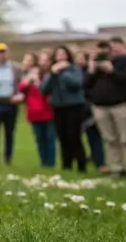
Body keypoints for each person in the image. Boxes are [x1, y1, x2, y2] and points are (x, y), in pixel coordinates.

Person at [85, 38, 126, 180]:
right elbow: (85, 85)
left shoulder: (125, 62)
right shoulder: (96, 65)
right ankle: (116, 167)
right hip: (100, 106)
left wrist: (112, 70)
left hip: (121, 104)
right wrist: (92, 69)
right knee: (109, 139)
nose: (112, 50)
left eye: (115, 47)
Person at [41, 45, 87, 173]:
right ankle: (67, 165)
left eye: (63, 54)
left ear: (68, 56)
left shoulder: (74, 69)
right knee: (62, 137)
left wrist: (64, 73)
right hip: (58, 107)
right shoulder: (52, 72)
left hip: (74, 106)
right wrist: (53, 74)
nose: (60, 56)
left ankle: (81, 165)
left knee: (74, 136)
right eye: (58, 54)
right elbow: (44, 90)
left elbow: (77, 84)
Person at [0, 43, 24, 164]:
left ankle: (8, 156)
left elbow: (21, 85)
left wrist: (19, 96)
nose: (2, 55)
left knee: (9, 131)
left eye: (3, 52)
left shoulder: (16, 68)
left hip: (11, 102)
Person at [20, 51, 56, 167]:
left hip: (48, 111)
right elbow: (21, 88)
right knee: (40, 139)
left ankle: (50, 163)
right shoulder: (33, 74)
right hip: (34, 111)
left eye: (46, 60)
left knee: (50, 138)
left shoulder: (52, 75)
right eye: (41, 60)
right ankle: (43, 162)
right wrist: (29, 79)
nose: (43, 63)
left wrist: (40, 82)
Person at [76, 50, 107, 172]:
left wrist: (91, 70)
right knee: (89, 136)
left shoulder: (95, 72)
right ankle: (92, 159)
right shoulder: (77, 71)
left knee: (96, 136)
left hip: (92, 106)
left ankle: (100, 162)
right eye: (77, 58)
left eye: (81, 57)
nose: (79, 60)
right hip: (81, 108)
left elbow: (86, 85)